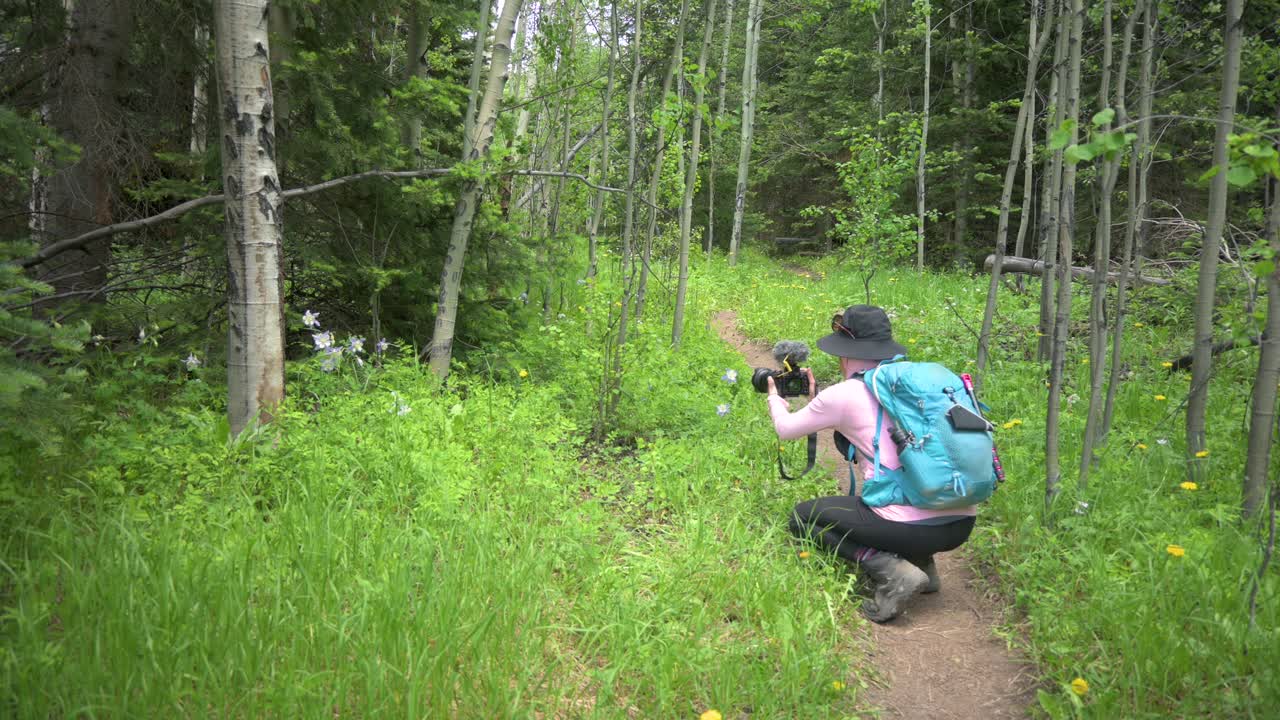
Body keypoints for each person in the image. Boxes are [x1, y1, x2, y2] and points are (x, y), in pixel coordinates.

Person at [764, 305, 977, 623]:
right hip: (961, 524)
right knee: (910, 486)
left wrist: (774, 398)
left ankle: (893, 572)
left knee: (803, 517)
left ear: (845, 353)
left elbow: (786, 429)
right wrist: (817, 399)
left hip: (908, 529)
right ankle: (924, 566)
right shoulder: (915, 385)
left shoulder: (845, 393)